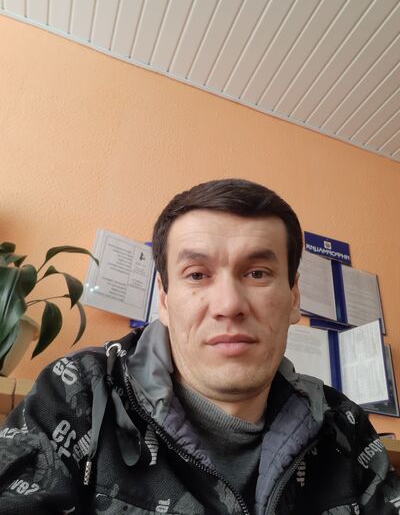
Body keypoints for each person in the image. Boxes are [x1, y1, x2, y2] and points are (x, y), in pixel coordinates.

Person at [0, 179, 399, 514]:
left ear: (294, 297)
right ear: (164, 299)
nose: (229, 304)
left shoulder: (343, 425)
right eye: (196, 274)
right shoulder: (80, 391)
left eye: (258, 273)